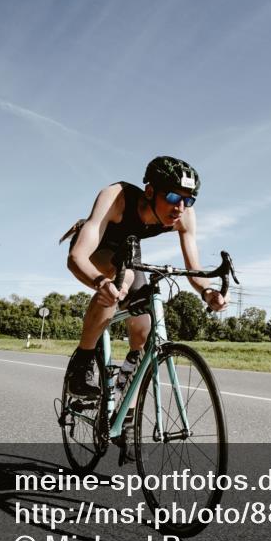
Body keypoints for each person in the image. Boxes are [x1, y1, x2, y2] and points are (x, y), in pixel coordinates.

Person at [60, 156, 229, 401]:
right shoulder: (116, 198)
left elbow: (195, 270)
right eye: (172, 196)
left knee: (142, 329)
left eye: (188, 199)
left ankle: (122, 404)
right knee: (122, 281)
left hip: (128, 255)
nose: (180, 207)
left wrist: (208, 292)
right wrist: (100, 283)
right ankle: (82, 362)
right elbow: (76, 257)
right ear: (150, 191)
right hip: (97, 247)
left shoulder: (184, 216)